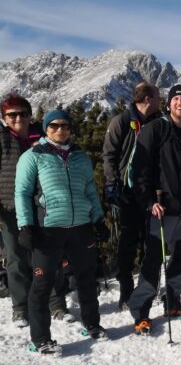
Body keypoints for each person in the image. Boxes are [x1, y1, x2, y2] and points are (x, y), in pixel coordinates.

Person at [16, 109, 109, 355]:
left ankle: (92, 324)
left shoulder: (80, 157)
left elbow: (90, 190)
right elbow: (23, 193)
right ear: (46, 128)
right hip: (48, 230)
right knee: (43, 283)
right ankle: (41, 339)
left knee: (87, 279)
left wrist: (98, 219)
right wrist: (25, 225)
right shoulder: (32, 156)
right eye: (54, 126)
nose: (60, 130)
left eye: (65, 126)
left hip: (80, 227)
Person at [129, 84, 181, 334]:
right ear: (169, 104)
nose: (180, 103)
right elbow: (140, 170)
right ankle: (141, 312)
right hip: (161, 209)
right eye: (176, 99)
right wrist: (147, 201)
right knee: (153, 263)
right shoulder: (155, 129)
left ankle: (172, 303)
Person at [1, 94, 71, 328]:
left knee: (49, 255)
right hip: (10, 207)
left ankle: (56, 303)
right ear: (4, 118)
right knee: (17, 258)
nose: (18, 118)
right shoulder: (2, 139)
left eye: (23, 113)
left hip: (42, 206)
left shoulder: (42, 137)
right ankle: (21, 308)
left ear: (30, 115)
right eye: (12, 114)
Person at [102, 81, 163, 310]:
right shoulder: (121, 121)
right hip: (127, 193)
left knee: (151, 243)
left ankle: (147, 288)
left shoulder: (158, 122)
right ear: (147, 99)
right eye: (157, 96)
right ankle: (126, 291)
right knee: (127, 244)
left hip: (150, 192)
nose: (161, 100)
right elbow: (109, 156)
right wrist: (112, 185)